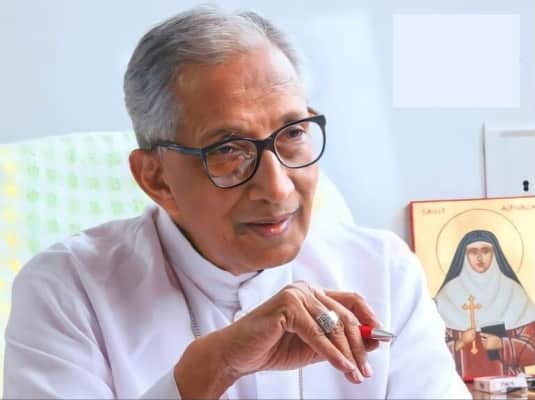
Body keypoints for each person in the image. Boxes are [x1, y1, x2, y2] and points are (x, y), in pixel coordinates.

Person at [4, 6, 469, 399]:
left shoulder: (383, 272)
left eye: (293, 134)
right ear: (156, 178)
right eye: (228, 149)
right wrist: (210, 369)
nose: (278, 189)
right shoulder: (68, 292)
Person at [436, 229, 535, 377]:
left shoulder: (514, 292)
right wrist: (460, 342)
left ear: (494, 254)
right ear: (464, 255)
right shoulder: (446, 296)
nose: (479, 257)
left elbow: (533, 348)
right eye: (473, 252)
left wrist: (502, 344)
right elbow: (429, 351)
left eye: (485, 251)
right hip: (459, 385)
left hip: (507, 384)